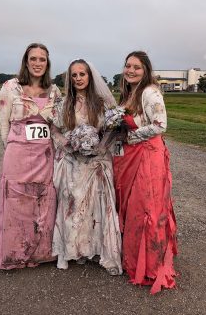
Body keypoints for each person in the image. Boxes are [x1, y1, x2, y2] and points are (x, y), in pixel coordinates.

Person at [0, 43, 62, 269]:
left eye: (42, 59)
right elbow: (3, 125)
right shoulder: (10, 87)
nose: (37, 63)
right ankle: (14, 252)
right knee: (16, 200)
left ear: (47, 63)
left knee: (43, 200)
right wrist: (13, 148)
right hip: (17, 154)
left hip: (45, 155)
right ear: (26, 61)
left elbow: (57, 126)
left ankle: (41, 252)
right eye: (33, 59)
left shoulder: (55, 91)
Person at [113, 51, 178, 294]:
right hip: (134, 154)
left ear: (146, 70)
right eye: (128, 66)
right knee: (134, 207)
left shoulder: (150, 92)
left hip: (148, 156)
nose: (130, 70)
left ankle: (149, 266)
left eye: (136, 67)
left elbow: (161, 125)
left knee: (146, 207)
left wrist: (132, 134)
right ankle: (132, 259)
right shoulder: (131, 93)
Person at [51, 59, 122, 276]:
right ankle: (76, 250)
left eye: (82, 74)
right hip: (72, 161)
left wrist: (100, 147)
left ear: (89, 77)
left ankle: (96, 249)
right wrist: (67, 143)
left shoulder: (101, 103)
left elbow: (112, 129)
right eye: (74, 75)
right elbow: (54, 129)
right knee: (72, 204)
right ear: (70, 79)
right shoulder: (64, 104)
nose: (79, 78)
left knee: (96, 206)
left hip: (96, 163)